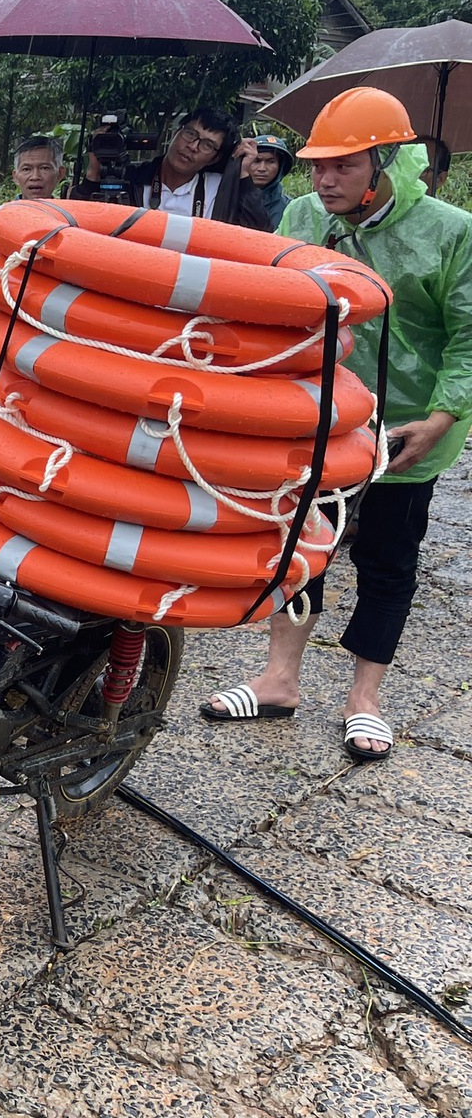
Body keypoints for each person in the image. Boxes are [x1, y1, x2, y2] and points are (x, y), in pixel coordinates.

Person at [200, 87, 472, 761]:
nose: (324, 179)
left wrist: (437, 422)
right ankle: (279, 679)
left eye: (343, 166)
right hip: (318, 424)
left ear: (385, 161)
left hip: (407, 431)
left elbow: (468, 338)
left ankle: (364, 700)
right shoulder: (300, 215)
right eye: (318, 165)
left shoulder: (451, 231)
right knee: (302, 547)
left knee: (386, 560)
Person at [84, 106, 267, 228]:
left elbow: (258, 233)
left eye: (207, 145)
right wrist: (94, 171)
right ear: (175, 132)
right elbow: (85, 222)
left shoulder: (221, 189)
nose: (193, 146)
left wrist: (243, 175)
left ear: (215, 158)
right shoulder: (132, 179)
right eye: (190, 134)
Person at [236, 132, 297, 231]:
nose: (262, 168)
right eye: (256, 161)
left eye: (270, 161)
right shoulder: (230, 198)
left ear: (281, 166)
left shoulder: (290, 207)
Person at [11, 135, 64, 201]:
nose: (35, 177)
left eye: (44, 168)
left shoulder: (66, 211)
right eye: (26, 169)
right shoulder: (3, 211)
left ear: (60, 173)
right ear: (15, 176)